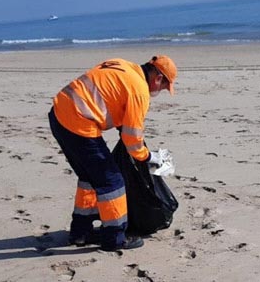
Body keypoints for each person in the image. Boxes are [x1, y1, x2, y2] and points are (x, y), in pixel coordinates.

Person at [48, 55, 177, 251]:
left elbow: (110, 96)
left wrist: (124, 133)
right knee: (112, 181)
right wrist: (149, 157)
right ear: (158, 78)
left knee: (89, 177)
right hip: (79, 125)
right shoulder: (140, 91)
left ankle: (80, 232)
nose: (160, 91)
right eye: (164, 87)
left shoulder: (122, 65)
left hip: (59, 115)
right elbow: (133, 141)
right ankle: (115, 238)